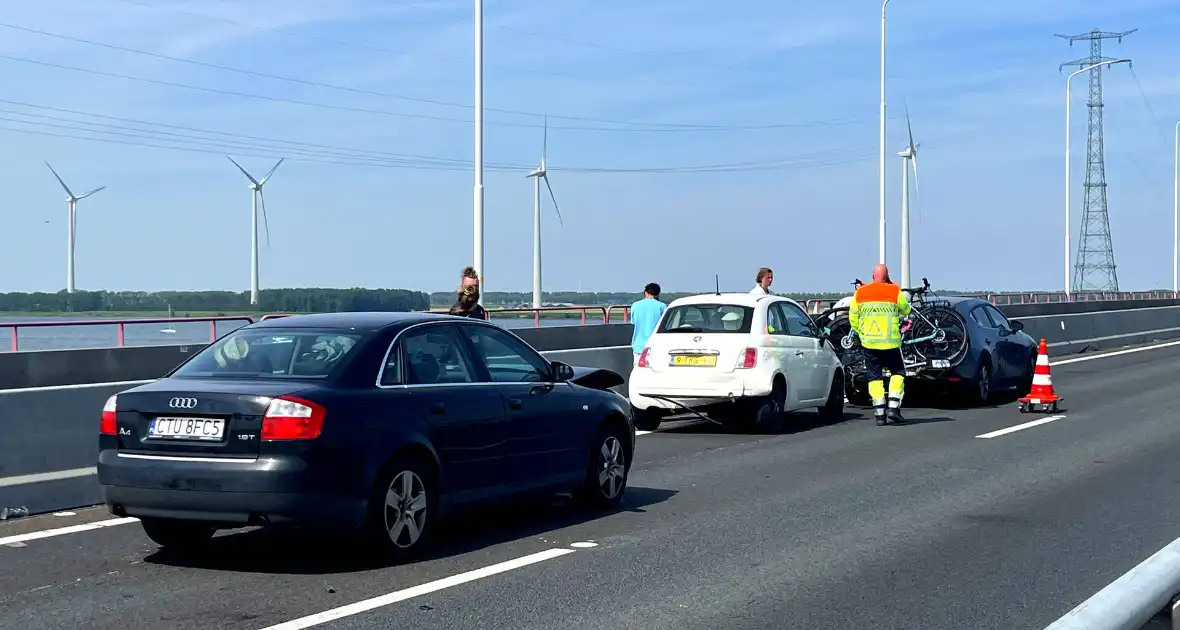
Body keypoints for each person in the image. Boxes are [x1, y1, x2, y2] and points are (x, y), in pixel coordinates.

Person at [848, 263, 912, 426]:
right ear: (887, 276)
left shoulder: (861, 292)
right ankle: (893, 409)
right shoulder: (894, 290)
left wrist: (861, 333)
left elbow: (853, 317)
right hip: (890, 343)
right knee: (897, 372)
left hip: (869, 342)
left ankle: (879, 413)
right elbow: (906, 310)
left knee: (874, 376)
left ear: (872, 276)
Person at [630, 282, 667, 362]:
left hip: (638, 345)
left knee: (638, 369)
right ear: (658, 294)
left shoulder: (635, 305)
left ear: (645, 292)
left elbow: (633, 322)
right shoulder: (662, 306)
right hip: (656, 345)